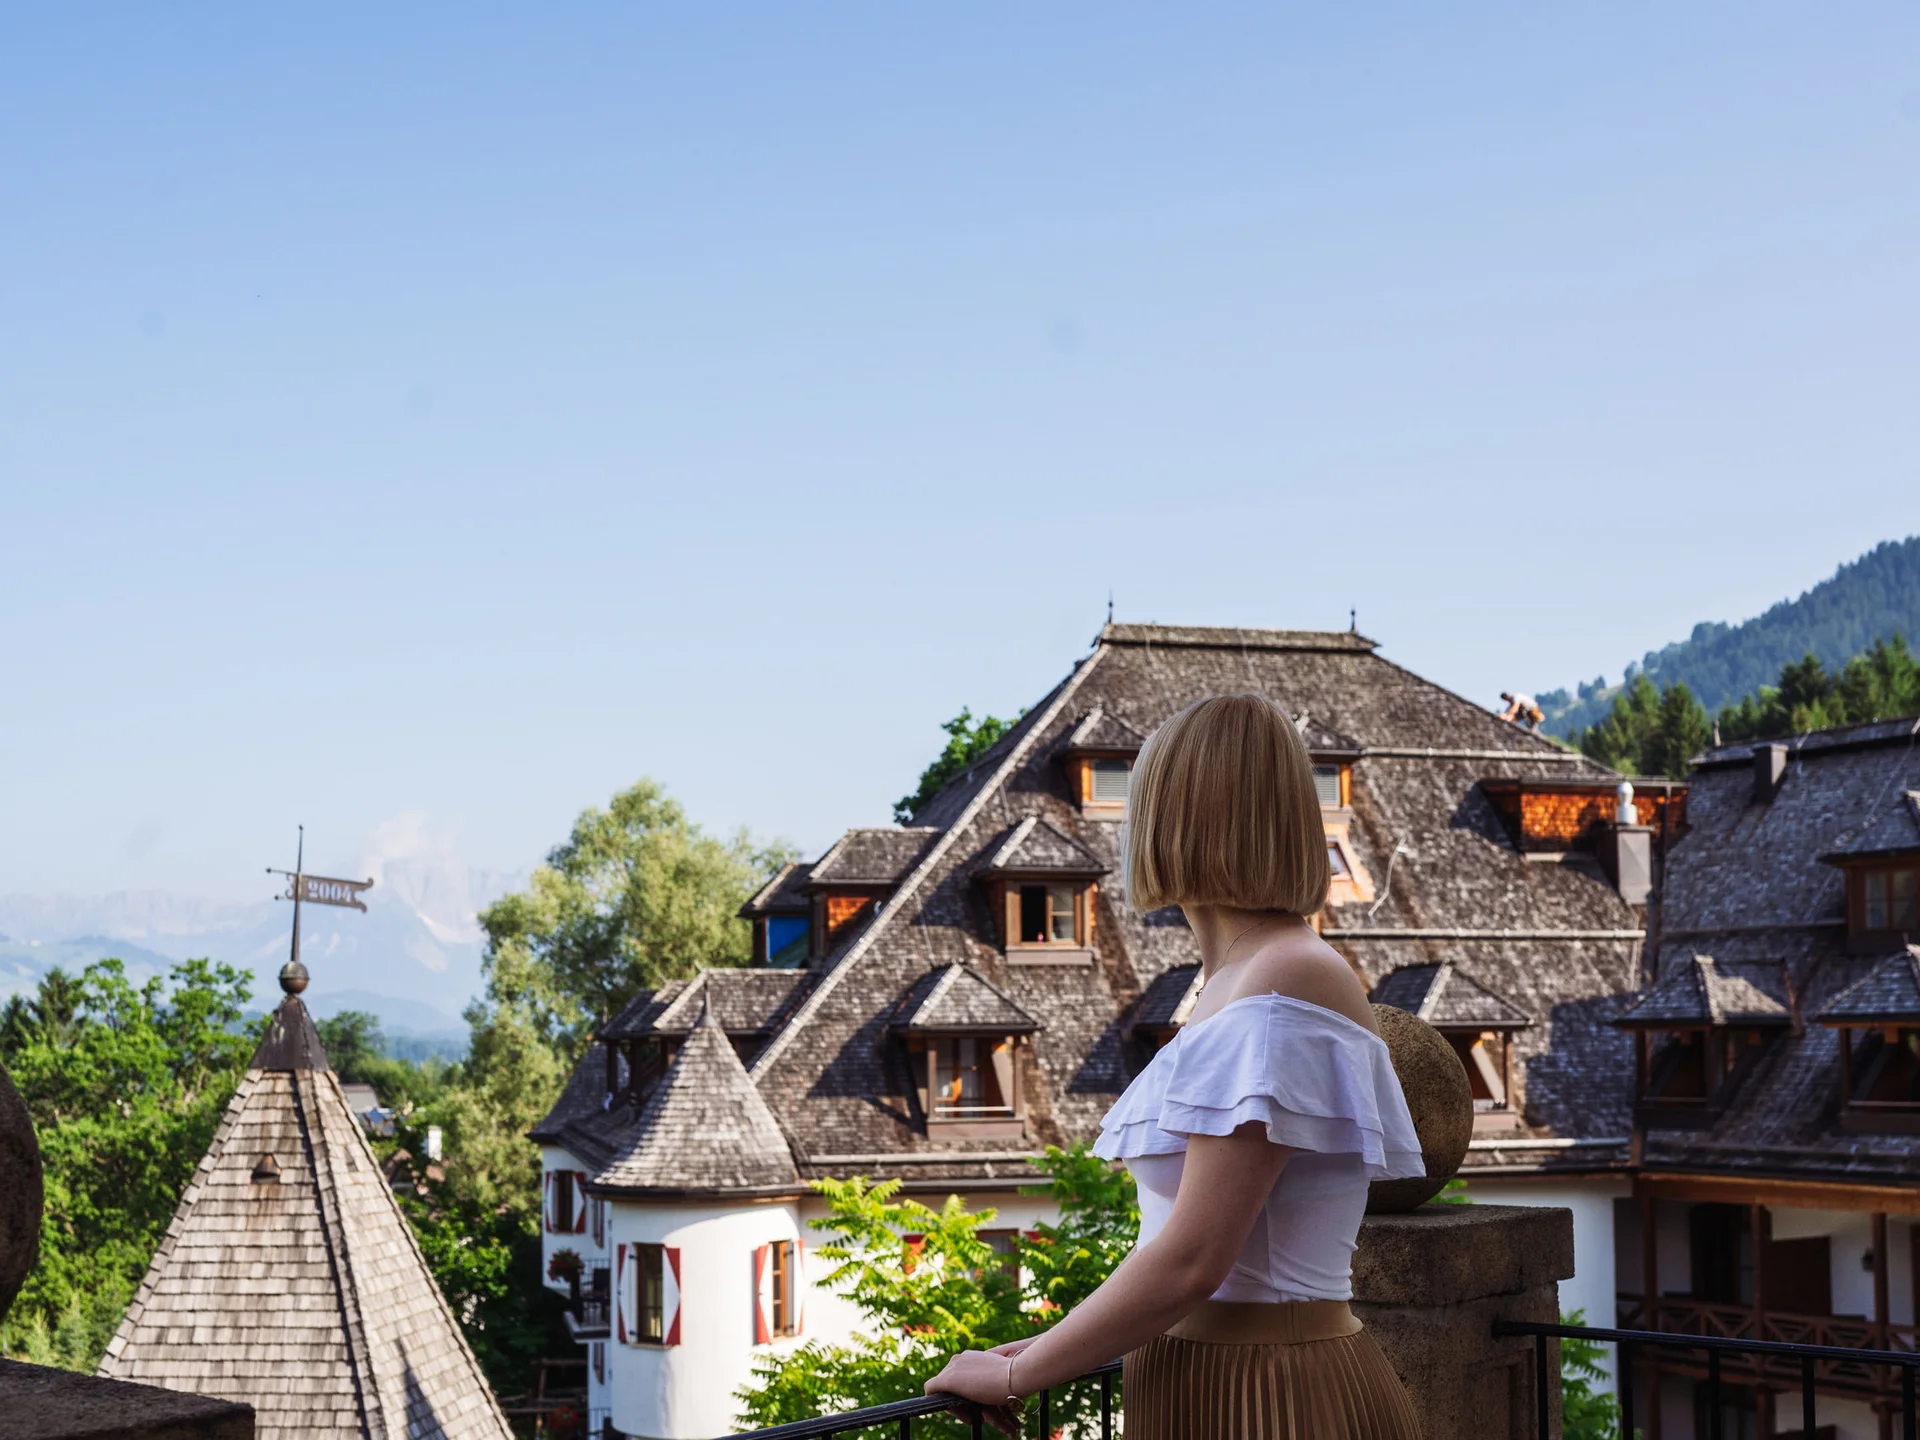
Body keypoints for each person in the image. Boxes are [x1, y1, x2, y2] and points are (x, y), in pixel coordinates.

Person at [925, 694, 1426, 1439]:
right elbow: (1179, 1252)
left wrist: (1013, 1377)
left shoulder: (1283, 981)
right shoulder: (1243, 979)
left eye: (1140, 800)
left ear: (1178, 819)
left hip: (1267, 1395)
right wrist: (1039, 1350)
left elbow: (1195, 1260)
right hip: (1210, 1383)